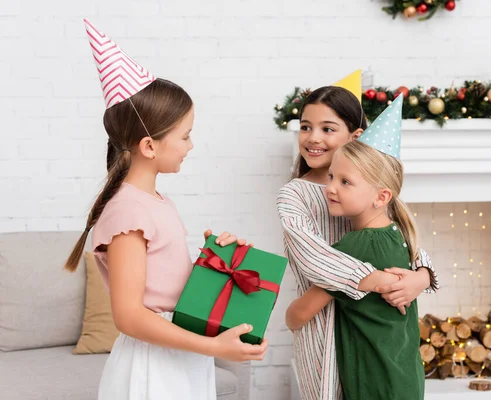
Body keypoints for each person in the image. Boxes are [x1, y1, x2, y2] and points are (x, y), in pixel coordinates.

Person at [64, 19, 266, 400]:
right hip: (152, 368)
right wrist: (214, 348)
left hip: (180, 357)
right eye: (185, 135)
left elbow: (165, 289)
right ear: (149, 146)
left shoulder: (155, 203)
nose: (191, 145)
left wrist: (212, 264)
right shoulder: (128, 213)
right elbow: (129, 316)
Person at [277, 85, 438, 400]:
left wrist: (422, 276)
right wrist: (375, 279)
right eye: (306, 127)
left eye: (328, 129)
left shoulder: (368, 191)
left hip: (367, 335)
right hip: (322, 331)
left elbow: (404, 240)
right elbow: (314, 257)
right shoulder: (295, 194)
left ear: (355, 137)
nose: (313, 137)